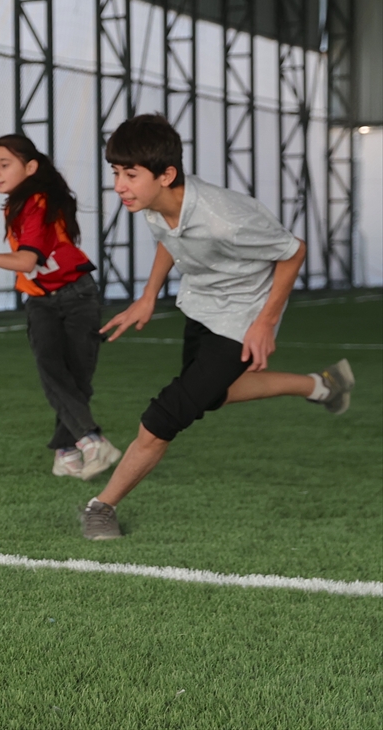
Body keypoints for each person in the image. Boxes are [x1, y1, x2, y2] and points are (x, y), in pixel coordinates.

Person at [82, 114, 355, 540]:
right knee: (212, 395)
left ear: (167, 174)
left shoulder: (225, 218)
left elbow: (293, 251)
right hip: (201, 303)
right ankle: (321, 386)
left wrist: (265, 323)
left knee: (166, 415)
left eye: (130, 175)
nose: (119, 185)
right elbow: (168, 240)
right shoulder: (152, 203)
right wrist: (148, 295)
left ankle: (102, 506)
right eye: (116, 173)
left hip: (242, 316)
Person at [0, 134, 122, 480]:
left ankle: (75, 448)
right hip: (42, 301)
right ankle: (80, 446)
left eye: (4, 164)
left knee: (73, 378)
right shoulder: (20, 204)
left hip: (77, 297)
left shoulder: (38, 203)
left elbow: (27, 260)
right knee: (53, 370)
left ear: (30, 167)